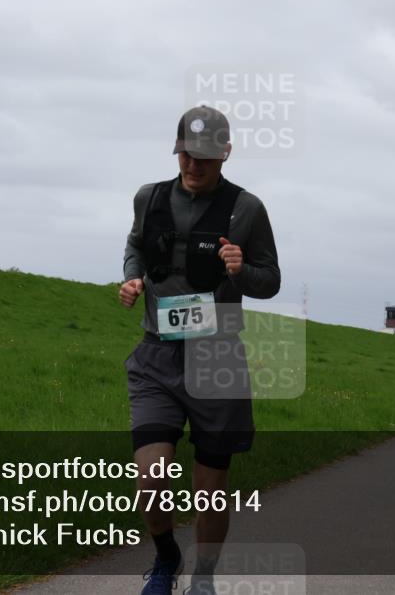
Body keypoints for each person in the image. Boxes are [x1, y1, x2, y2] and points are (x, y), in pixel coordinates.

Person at [120, 105, 281, 595]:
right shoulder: (148, 198)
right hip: (157, 356)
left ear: (226, 153)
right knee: (151, 476)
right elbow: (135, 247)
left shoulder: (247, 209)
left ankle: (204, 579)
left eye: (205, 159)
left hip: (218, 359)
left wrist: (239, 270)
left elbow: (270, 281)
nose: (193, 166)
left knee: (210, 490)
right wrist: (131, 277)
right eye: (186, 155)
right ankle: (167, 558)